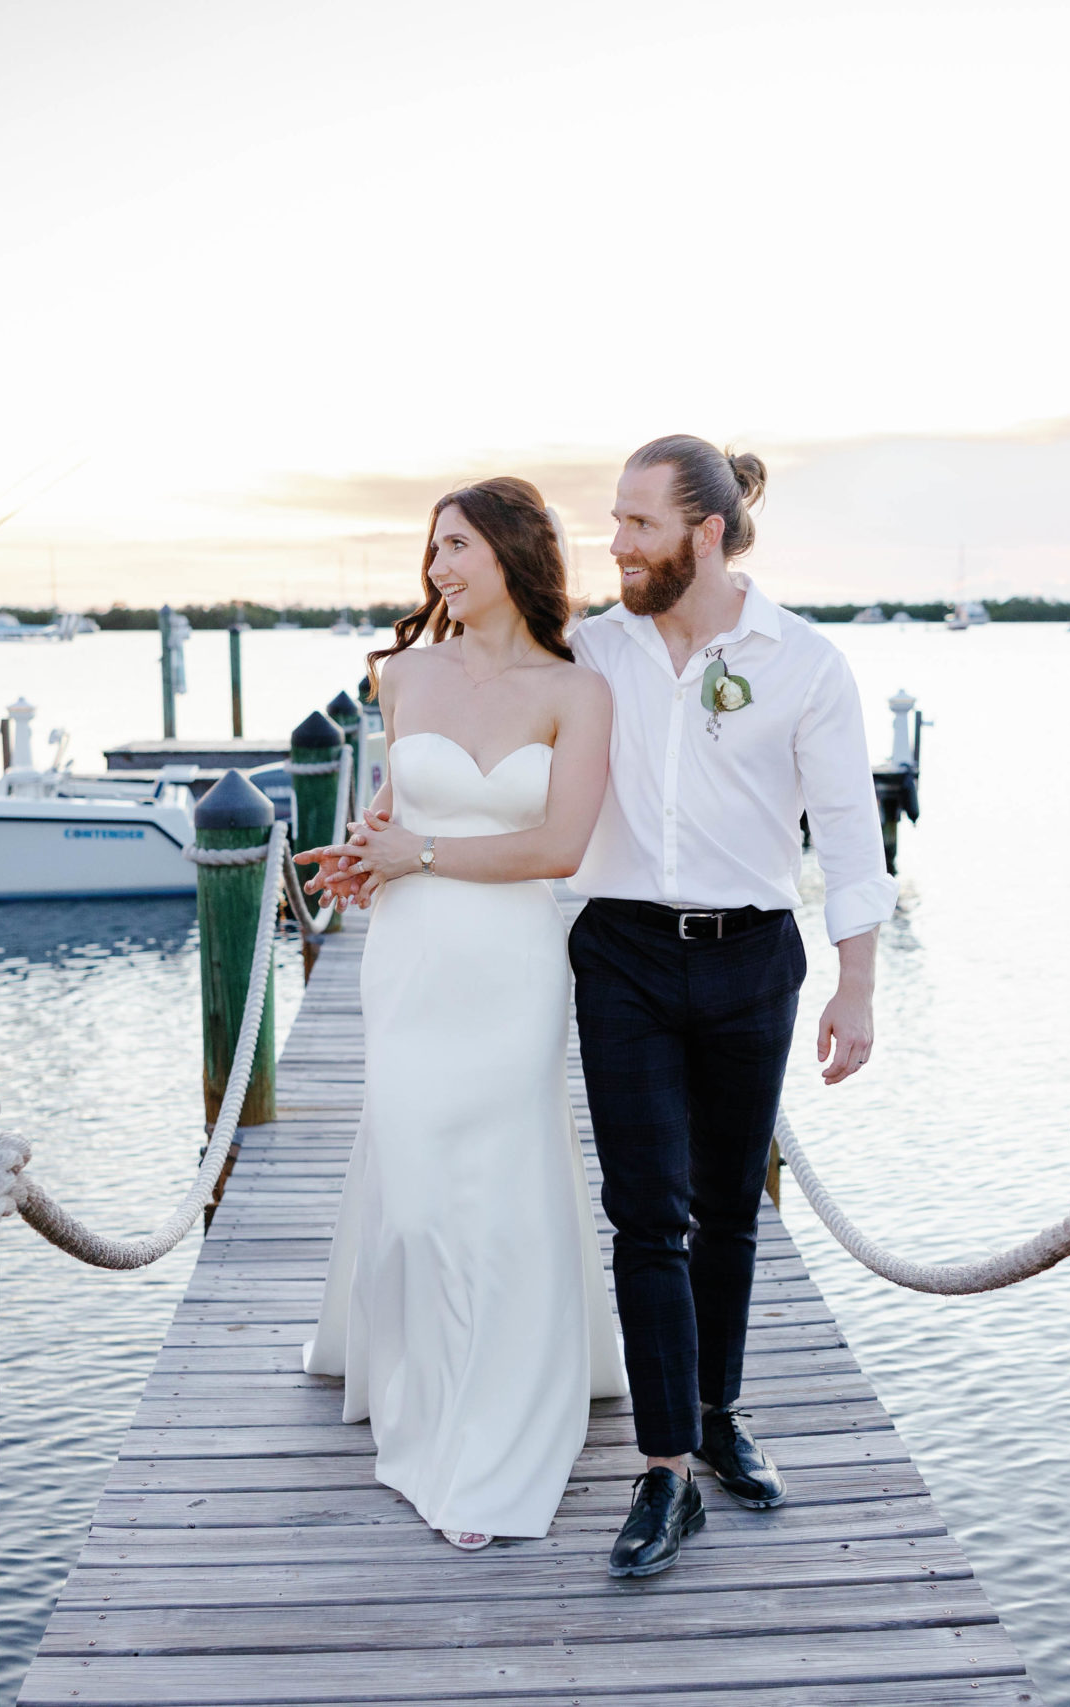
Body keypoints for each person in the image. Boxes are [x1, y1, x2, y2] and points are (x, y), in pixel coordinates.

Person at [563, 435, 894, 1577]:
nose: (617, 545)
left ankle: (716, 1415)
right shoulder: (591, 647)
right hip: (623, 958)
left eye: (640, 525)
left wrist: (856, 983)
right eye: (615, 522)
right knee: (645, 1213)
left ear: (705, 533)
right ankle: (664, 1473)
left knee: (730, 1211)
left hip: (754, 959)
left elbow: (849, 831)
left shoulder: (802, 662)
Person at [295, 477, 625, 1551]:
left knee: (502, 1191)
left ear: (515, 554)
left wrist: (420, 851)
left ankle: (497, 1427)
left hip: (516, 966)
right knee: (423, 1194)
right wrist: (367, 849)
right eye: (432, 547)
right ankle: (426, 1401)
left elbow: (558, 848)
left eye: (458, 546)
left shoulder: (577, 693)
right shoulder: (401, 675)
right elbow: (401, 803)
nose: (438, 567)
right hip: (412, 962)